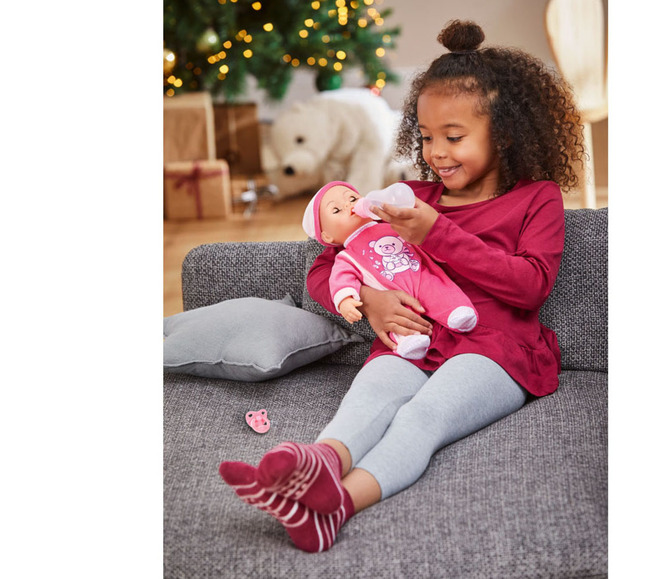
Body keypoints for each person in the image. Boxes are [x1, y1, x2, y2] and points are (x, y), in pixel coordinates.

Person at [218, 19, 585, 553]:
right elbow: (326, 266)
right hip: (414, 341)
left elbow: (530, 286)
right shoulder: (410, 197)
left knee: (420, 416)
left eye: (454, 138)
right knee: (368, 395)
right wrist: (370, 301)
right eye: (427, 136)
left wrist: (438, 234)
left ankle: (336, 508)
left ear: (504, 132)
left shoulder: (537, 198)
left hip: (498, 351)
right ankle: (316, 469)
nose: (436, 152)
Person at [300, 180, 478, 360]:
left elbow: (421, 240)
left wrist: (439, 251)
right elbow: (341, 278)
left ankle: (456, 311)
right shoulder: (345, 256)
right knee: (400, 317)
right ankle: (408, 341)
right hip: (394, 295)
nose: (349, 205)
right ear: (327, 236)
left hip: (421, 275)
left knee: (437, 288)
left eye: (353, 198)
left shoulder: (393, 225)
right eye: (336, 210)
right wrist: (346, 300)